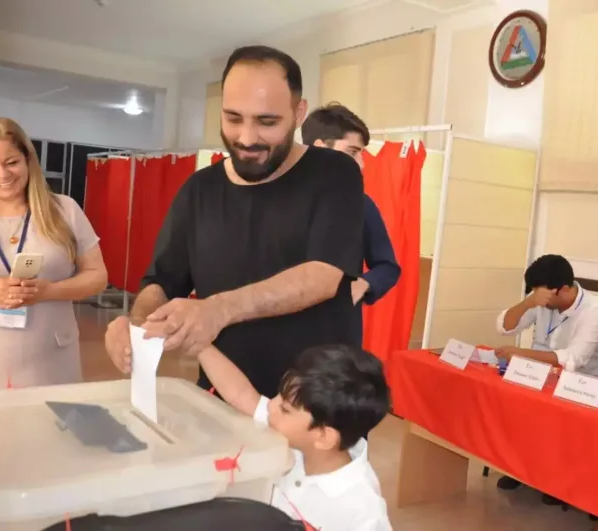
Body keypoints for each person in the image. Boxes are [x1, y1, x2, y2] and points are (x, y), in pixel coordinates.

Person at [104, 45, 364, 399]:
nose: (246, 138)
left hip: (317, 407)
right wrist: (136, 326)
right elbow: (164, 281)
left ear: (298, 112)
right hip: (224, 395)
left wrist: (218, 309)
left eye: (267, 122)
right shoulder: (200, 190)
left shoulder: (334, 173)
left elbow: (323, 275)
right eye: (233, 118)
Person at [0, 117, 107, 392]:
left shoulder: (64, 210)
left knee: (50, 431)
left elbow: (97, 276)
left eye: (11, 162)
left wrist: (48, 291)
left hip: (51, 357)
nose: (3, 174)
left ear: (28, 160)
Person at [199, 342, 391, 531]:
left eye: (285, 409)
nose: (271, 406)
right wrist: (199, 344)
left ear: (324, 436)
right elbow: (241, 394)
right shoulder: (301, 440)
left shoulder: (363, 510)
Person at [493, 254, 598, 495]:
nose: (538, 297)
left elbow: (574, 359)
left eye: (540, 293)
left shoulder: (595, 309)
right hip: (535, 377)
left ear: (563, 289)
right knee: (502, 402)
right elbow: (504, 327)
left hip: (578, 386)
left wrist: (521, 354)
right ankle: (519, 469)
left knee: (548, 418)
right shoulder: (541, 299)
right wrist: (528, 303)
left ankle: (555, 481)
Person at [300, 103, 400, 343]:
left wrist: (363, 284)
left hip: (338, 336)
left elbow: (388, 267)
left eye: (362, 154)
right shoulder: (280, 199)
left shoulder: (362, 205)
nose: (362, 164)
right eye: (353, 152)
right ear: (321, 148)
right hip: (279, 331)